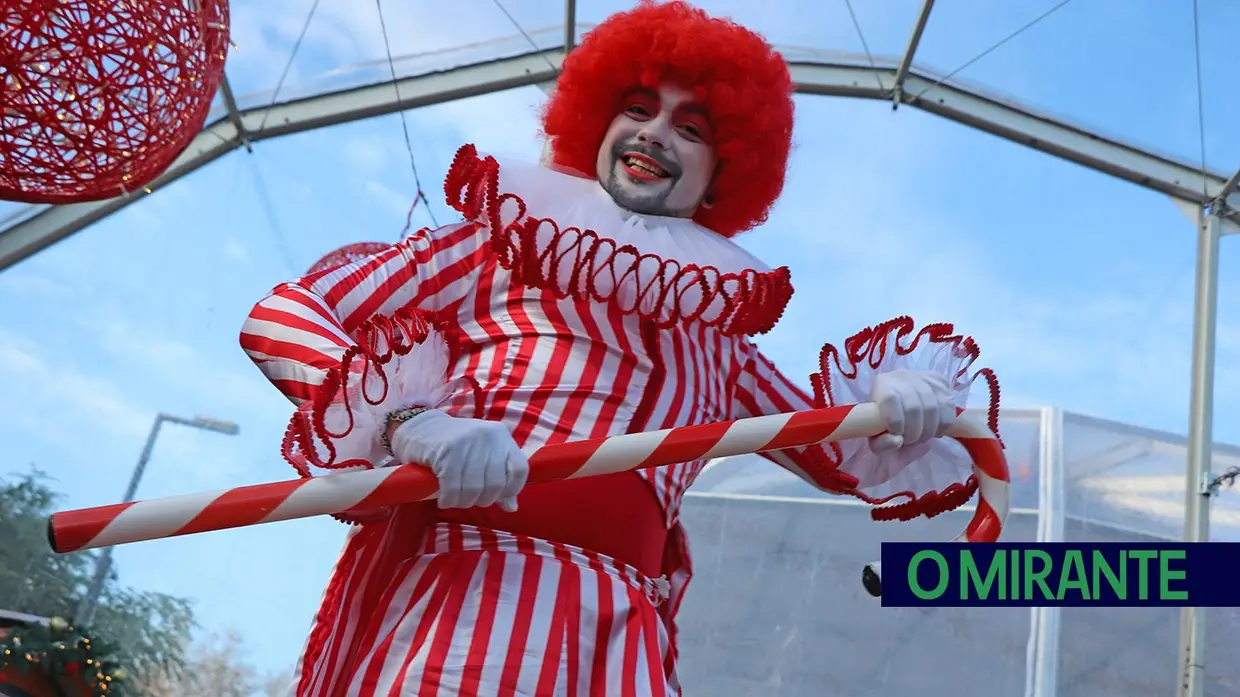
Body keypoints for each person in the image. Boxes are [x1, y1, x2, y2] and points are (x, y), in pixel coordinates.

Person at [239, 2, 1000, 695]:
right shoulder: (492, 249)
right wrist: (413, 423)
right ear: (594, 124)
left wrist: (903, 401)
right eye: (637, 108)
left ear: (721, 174)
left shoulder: (721, 336)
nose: (653, 133)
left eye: (691, 127)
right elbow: (284, 314)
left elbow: (836, 449)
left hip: (617, 636)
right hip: (464, 604)